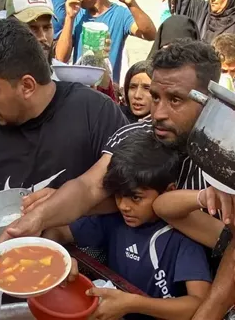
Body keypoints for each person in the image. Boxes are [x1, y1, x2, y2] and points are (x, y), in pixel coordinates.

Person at [0, 40, 235, 320]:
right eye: (155, 96)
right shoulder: (135, 135)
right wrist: (36, 220)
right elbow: (90, 187)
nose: (158, 113)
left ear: (209, 100)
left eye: (175, 100)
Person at [0, 19, 128, 229]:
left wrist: (66, 206)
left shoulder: (95, 111)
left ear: (27, 86)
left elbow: (132, 194)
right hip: (14, 251)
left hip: (86, 252)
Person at [44, 130, 212, 320]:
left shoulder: (183, 237)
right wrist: (60, 257)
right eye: (118, 195)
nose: (124, 206)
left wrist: (133, 303)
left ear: (169, 191)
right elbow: (56, 232)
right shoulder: (113, 219)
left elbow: (198, 304)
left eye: (135, 197)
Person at [54, 0, 156, 83]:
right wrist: (69, 17)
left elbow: (151, 34)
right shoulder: (76, 15)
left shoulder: (120, 14)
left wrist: (131, 3)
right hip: (80, 91)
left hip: (107, 92)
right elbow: (60, 58)